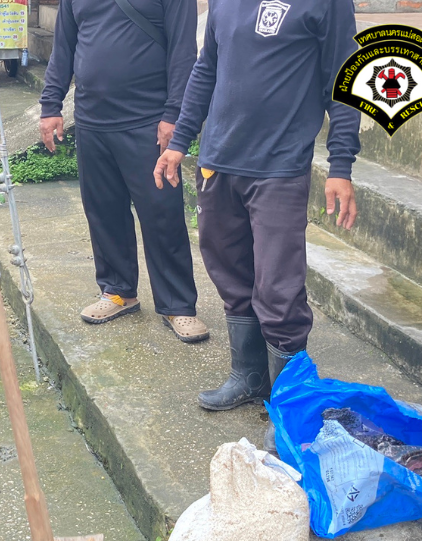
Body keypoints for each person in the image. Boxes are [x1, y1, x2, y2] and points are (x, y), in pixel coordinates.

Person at [154, 0, 360, 448]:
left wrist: (341, 165)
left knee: (279, 288)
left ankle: (288, 407)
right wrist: (181, 141)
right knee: (230, 273)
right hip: (219, 161)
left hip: (279, 168)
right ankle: (248, 378)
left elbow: (343, 82)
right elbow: (206, 70)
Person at [38, 0, 209, 343]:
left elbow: (182, 51)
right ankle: (118, 291)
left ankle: (177, 304)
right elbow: (64, 45)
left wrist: (174, 114)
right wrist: (50, 104)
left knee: (161, 214)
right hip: (91, 118)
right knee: (103, 211)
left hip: (148, 120)